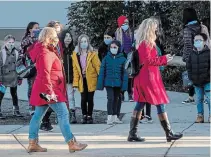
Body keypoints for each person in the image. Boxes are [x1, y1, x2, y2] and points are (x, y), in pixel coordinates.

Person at [27, 27, 87, 153]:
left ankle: (33, 143)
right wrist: (50, 93)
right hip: (50, 89)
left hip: (44, 89)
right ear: (49, 37)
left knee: (38, 116)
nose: (57, 39)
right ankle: (71, 142)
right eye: (55, 36)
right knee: (63, 113)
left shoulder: (44, 49)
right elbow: (45, 74)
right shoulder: (45, 53)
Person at [127, 18, 183, 142]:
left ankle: (132, 133)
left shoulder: (141, 43)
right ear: (150, 29)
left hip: (143, 77)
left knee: (140, 104)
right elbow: (149, 61)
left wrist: (163, 58)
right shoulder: (147, 43)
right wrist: (164, 59)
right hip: (149, 78)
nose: (157, 30)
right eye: (155, 27)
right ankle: (169, 133)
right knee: (159, 103)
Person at [97, 40, 128, 125]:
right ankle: (109, 116)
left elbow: (124, 74)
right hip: (108, 83)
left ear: (118, 48)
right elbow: (102, 71)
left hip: (118, 83)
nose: (113, 49)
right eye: (111, 47)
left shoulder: (122, 59)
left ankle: (115, 116)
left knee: (117, 99)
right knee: (110, 98)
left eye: (115, 47)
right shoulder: (106, 58)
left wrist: (124, 86)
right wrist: (100, 84)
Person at [40, 20, 63, 131]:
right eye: (55, 27)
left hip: (56, 80)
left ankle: (33, 138)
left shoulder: (56, 44)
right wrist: (50, 90)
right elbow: (45, 71)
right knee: (63, 112)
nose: (58, 29)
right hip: (50, 84)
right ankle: (71, 141)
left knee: (39, 113)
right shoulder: (46, 50)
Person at [72, 34, 101, 124]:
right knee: (83, 98)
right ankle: (84, 115)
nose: (83, 43)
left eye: (85, 41)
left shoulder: (93, 53)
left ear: (88, 42)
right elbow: (75, 69)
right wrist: (75, 83)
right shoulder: (76, 55)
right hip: (82, 79)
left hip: (91, 79)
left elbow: (98, 66)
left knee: (90, 98)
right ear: (79, 43)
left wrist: (101, 79)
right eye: (81, 42)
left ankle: (90, 115)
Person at [187, 33, 210, 123]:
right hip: (196, 81)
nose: (197, 42)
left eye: (199, 40)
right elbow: (189, 66)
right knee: (199, 99)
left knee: (209, 98)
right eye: (196, 40)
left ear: (204, 42)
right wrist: (191, 77)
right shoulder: (192, 54)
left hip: (208, 80)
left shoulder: (208, 53)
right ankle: (200, 115)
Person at [181, 8, 201, 104]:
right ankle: (205, 97)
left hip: (192, 56)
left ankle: (191, 96)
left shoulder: (188, 29)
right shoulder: (201, 26)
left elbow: (188, 45)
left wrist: (187, 58)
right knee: (202, 76)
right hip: (202, 54)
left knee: (191, 77)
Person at [0, 35, 23, 119]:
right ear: (5, 42)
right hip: (3, 78)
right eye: (9, 42)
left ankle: (16, 110)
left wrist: (20, 77)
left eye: (12, 42)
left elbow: (19, 66)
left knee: (14, 94)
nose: (11, 44)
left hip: (13, 77)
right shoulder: (2, 53)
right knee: (1, 95)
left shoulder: (16, 53)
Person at [20, 22, 39, 115]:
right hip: (30, 66)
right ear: (30, 29)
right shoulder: (26, 40)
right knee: (31, 86)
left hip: (39, 65)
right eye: (36, 28)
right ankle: (31, 107)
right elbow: (22, 53)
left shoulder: (40, 39)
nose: (37, 29)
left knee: (38, 86)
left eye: (38, 28)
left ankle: (38, 106)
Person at [60, 28, 77, 124]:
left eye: (69, 36)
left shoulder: (73, 50)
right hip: (61, 78)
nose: (68, 38)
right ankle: (62, 114)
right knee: (61, 97)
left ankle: (72, 114)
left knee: (70, 96)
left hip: (71, 78)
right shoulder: (59, 50)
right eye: (66, 36)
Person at [115, 15, 134, 102]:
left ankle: (130, 93)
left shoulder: (131, 32)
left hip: (129, 55)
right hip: (121, 55)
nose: (126, 24)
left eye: (127, 23)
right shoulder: (117, 33)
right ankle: (121, 93)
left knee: (130, 75)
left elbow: (133, 42)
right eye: (124, 23)